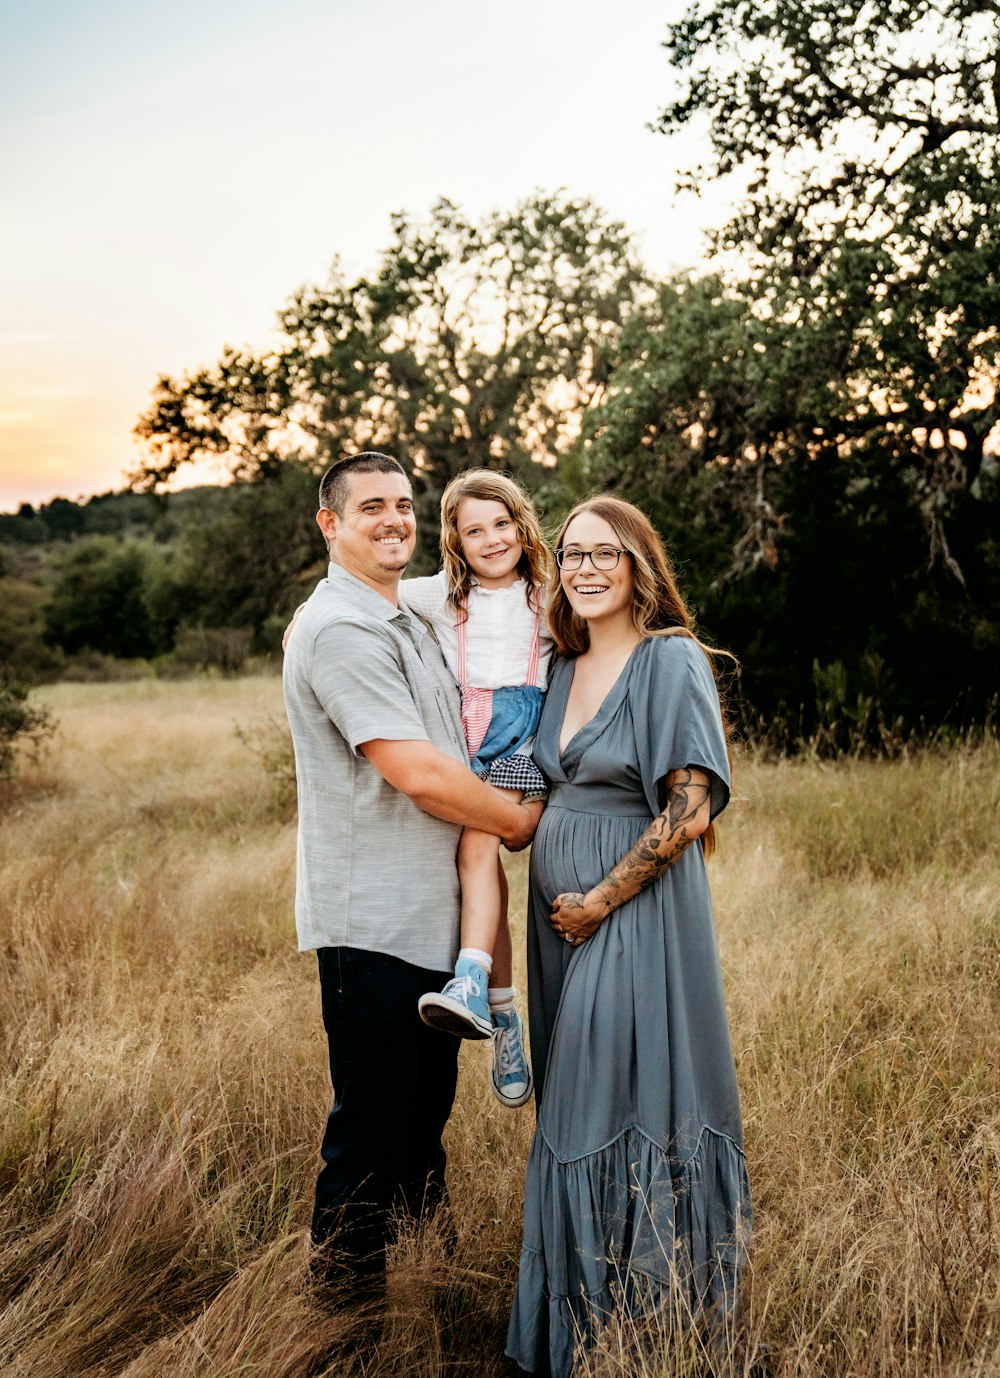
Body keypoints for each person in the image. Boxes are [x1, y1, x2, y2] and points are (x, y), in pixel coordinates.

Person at [282, 452, 542, 1302]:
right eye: (371, 508)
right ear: (331, 524)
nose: (393, 519)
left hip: (432, 927)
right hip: (375, 926)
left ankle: (435, 1299)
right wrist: (515, 822)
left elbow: (493, 591)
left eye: (403, 504)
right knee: (369, 1139)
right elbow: (420, 773)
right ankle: (338, 1332)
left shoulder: (409, 616)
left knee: (420, 1135)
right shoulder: (343, 629)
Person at [506, 497, 751, 1377]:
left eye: (605, 552)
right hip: (555, 920)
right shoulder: (561, 665)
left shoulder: (669, 660)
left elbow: (687, 809)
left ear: (639, 563)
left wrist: (600, 901)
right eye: (571, 553)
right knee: (576, 1102)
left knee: (608, 1101)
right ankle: (584, 1335)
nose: (585, 567)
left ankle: (659, 1322)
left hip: (629, 911)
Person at [402, 470, 552, 1110]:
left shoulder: (550, 595)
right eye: (473, 530)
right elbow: (367, 594)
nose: (491, 539)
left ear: (523, 526)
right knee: (477, 867)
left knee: (475, 853)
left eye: (501, 524)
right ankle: (504, 1016)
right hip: (463, 736)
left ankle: (470, 982)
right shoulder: (441, 598)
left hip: (521, 738)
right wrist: (306, 614)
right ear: (455, 543)